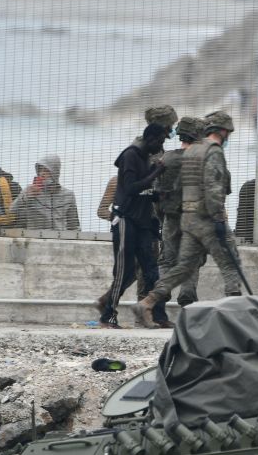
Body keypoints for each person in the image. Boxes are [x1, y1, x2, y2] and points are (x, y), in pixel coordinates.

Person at [133, 111, 242, 326]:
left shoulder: (177, 156)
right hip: (206, 216)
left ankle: (148, 301)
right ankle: (236, 313)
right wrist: (218, 219)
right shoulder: (210, 152)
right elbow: (217, 187)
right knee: (230, 262)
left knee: (181, 265)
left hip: (180, 217)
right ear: (222, 131)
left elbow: (171, 189)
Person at [100, 124, 167, 329]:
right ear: (150, 138)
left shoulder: (146, 159)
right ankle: (108, 315)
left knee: (151, 271)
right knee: (124, 271)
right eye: (160, 140)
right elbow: (130, 188)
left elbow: (144, 192)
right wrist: (155, 173)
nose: (162, 145)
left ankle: (157, 315)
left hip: (143, 224)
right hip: (126, 221)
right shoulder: (130, 156)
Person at [156, 116, 204, 306]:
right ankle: (187, 293)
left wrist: (163, 216)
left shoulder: (166, 158)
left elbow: (157, 190)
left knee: (166, 259)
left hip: (170, 216)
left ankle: (163, 290)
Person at [9, 155, 80, 231]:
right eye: (40, 170)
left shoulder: (68, 195)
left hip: (61, 238)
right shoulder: (29, 191)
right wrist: (24, 197)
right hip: (36, 238)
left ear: (55, 172)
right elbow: (12, 212)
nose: (42, 173)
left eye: (46, 170)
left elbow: (74, 226)